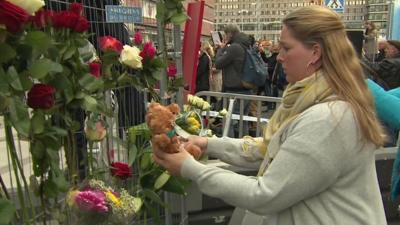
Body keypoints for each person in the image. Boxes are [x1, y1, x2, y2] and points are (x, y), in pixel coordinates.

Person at [153, 6, 387, 225]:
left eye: (286, 48)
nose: (280, 56)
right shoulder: (316, 100)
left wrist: (190, 168)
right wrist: (208, 144)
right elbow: (272, 149)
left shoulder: (328, 118)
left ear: (315, 52)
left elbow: (265, 195)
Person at [215, 25, 252, 137]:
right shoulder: (246, 45)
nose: (225, 37)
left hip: (234, 91)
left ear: (230, 34)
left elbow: (218, 63)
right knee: (243, 121)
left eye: (225, 34)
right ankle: (244, 148)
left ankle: (228, 148)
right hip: (246, 89)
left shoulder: (235, 47)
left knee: (228, 122)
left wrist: (221, 48)